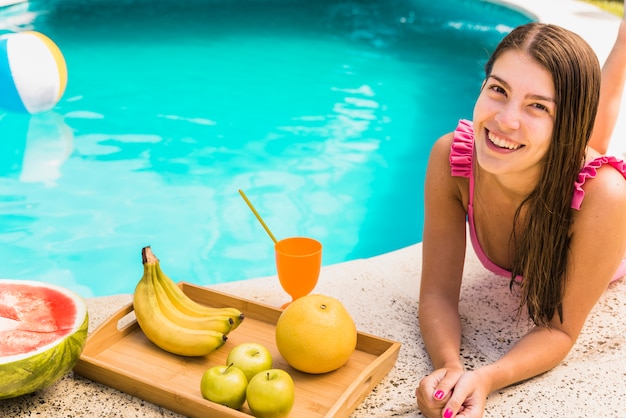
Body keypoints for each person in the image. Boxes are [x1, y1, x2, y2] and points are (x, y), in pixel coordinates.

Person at [416, 16, 626, 418]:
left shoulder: (607, 196)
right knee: (574, 141)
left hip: (597, 208)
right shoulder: (452, 159)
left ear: (563, 122)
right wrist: (450, 370)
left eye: (537, 106)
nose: (505, 120)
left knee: (594, 150)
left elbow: (560, 329)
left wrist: (489, 377)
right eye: (498, 89)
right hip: (555, 164)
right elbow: (436, 294)